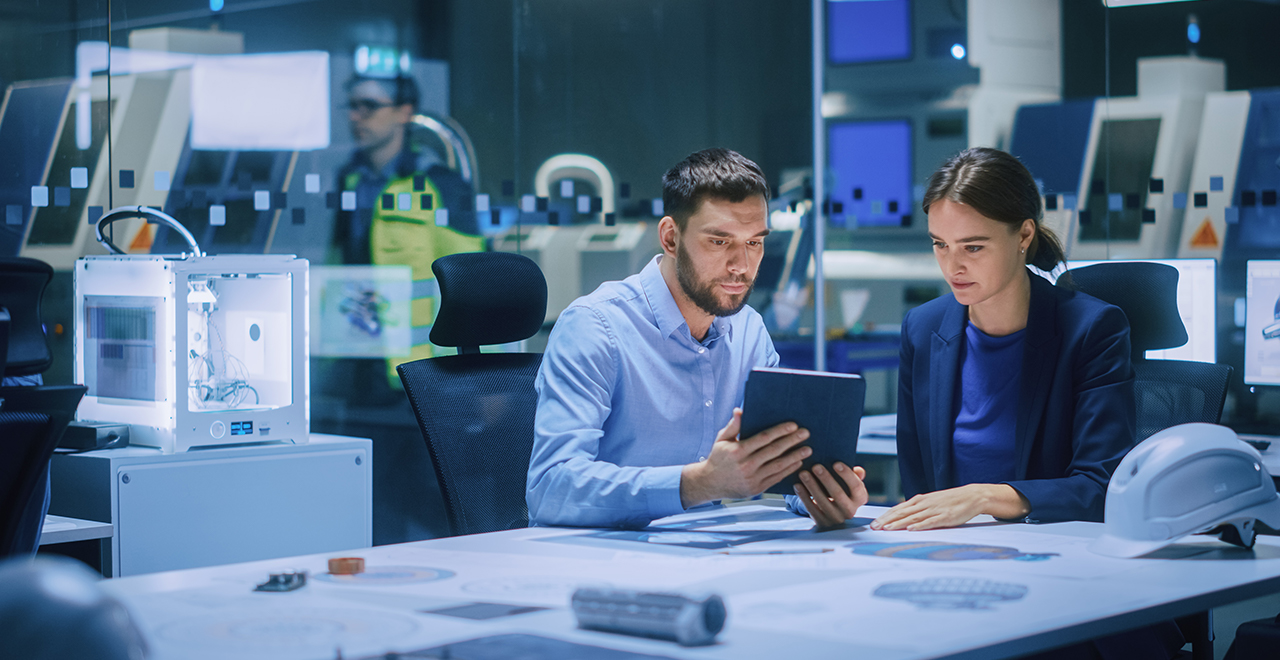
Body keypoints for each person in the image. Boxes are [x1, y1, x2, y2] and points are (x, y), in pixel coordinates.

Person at [526, 148, 868, 529]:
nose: (741, 266)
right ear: (671, 238)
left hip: (705, 554)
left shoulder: (748, 330)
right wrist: (697, 484)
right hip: (596, 563)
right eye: (720, 242)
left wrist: (818, 492)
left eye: (754, 242)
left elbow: (773, 461)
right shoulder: (595, 328)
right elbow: (549, 489)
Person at [862, 146, 1137, 530]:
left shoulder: (1091, 329)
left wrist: (983, 496)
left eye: (973, 247)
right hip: (946, 550)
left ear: (1024, 234)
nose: (953, 266)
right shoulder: (923, 329)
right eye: (940, 244)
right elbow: (919, 487)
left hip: (1054, 554)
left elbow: (1101, 486)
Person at [329, 75, 484, 384]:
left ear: (404, 112)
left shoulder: (441, 184)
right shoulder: (348, 180)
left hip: (421, 372)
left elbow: (475, 286)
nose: (355, 116)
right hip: (356, 364)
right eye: (352, 106)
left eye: (369, 106)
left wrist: (486, 379)